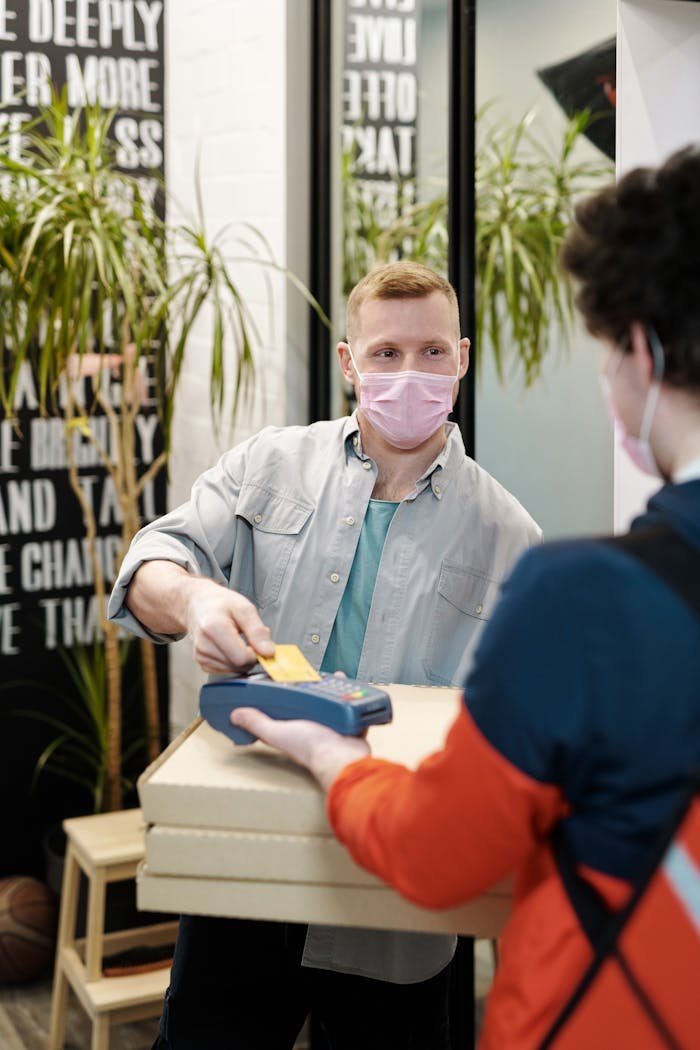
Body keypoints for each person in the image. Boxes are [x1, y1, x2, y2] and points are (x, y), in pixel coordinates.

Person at [231, 147, 700, 1048]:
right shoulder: (273, 464)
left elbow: (440, 853)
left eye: (605, 352)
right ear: (348, 361)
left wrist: (330, 756)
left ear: (640, 348)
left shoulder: (582, 599)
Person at [108, 260, 541, 1050]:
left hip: (398, 908)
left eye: (432, 352)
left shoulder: (510, 538)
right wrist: (197, 598)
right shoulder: (268, 465)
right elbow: (149, 565)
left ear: (463, 359)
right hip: (244, 876)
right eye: (385, 354)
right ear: (348, 362)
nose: (409, 374)